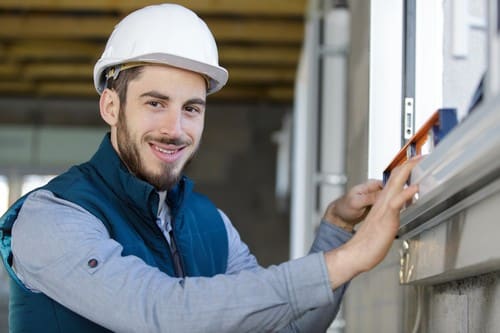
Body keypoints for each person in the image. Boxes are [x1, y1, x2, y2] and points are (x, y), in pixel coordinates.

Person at [0, 3, 420, 333]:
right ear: (111, 106)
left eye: (191, 109)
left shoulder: (210, 224)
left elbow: (287, 328)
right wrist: (352, 258)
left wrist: (336, 230)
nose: (174, 128)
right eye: (155, 103)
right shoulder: (52, 217)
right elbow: (160, 313)